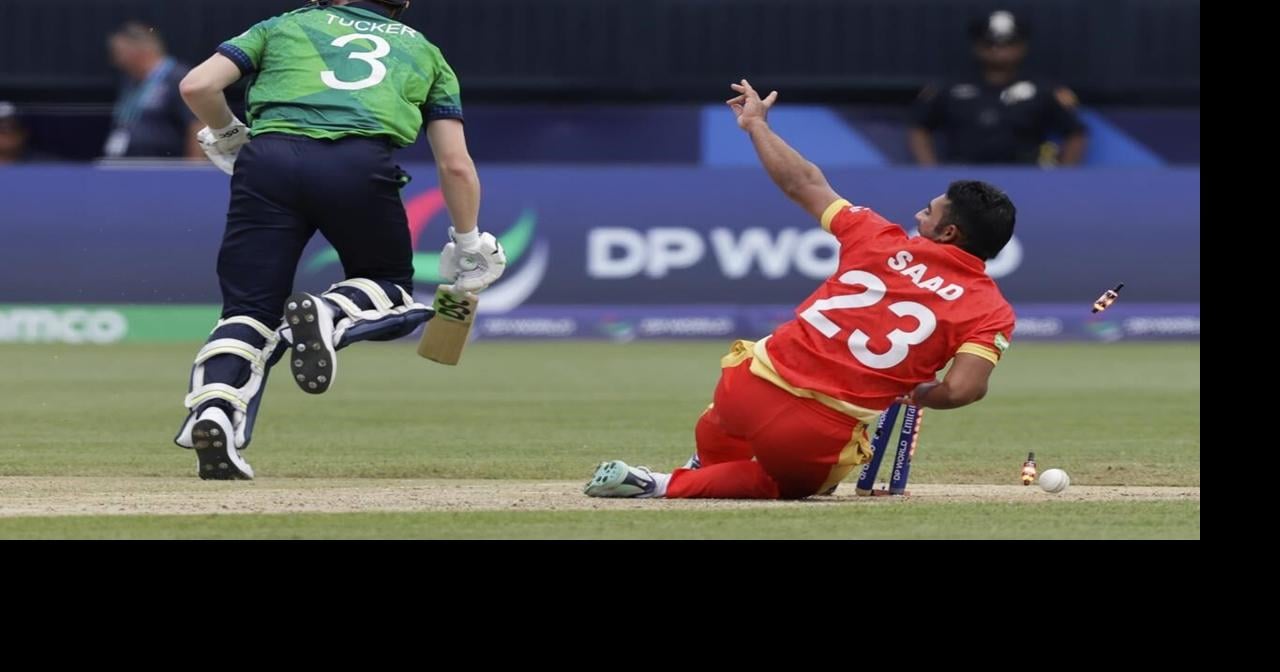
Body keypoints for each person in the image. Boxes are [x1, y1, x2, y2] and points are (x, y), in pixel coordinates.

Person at [585, 80, 1017, 500]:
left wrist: (757, 125)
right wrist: (920, 394)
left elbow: (803, 182)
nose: (916, 215)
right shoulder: (990, 310)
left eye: (927, 213)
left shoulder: (877, 236)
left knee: (722, 427)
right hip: (814, 430)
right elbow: (963, 390)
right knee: (793, 486)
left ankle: (703, 469)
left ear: (949, 233)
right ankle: (661, 484)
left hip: (744, 388)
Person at [173, 0, 506, 480]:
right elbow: (455, 164)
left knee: (247, 311)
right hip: (357, 164)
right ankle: (329, 313)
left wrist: (226, 131)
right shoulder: (426, 53)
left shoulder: (285, 25)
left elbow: (197, 85)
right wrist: (469, 240)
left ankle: (214, 413)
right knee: (389, 287)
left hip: (267, 161)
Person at [908, 10, 1087, 166]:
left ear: (1023, 46)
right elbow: (919, 127)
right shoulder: (948, 88)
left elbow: (1075, 133)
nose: (999, 50)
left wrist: (1063, 176)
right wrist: (929, 172)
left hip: (1028, 176)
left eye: (1008, 43)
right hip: (962, 180)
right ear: (977, 45)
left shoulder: (1044, 89)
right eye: (990, 43)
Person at [104, 22, 204, 159]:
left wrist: (193, 171)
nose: (115, 61)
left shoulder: (179, 78)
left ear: (140, 51)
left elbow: (197, 125)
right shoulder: (130, 82)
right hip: (127, 166)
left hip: (164, 170)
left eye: (120, 53)